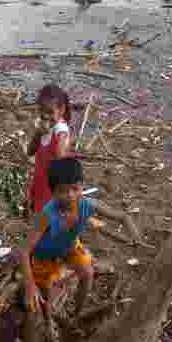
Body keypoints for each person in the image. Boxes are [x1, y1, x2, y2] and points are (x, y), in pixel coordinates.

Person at [17, 157, 140, 320]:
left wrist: (135, 236)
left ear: (82, 185)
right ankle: (48, 322)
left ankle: (76, 315)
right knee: (45, 294)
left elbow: (123, 217)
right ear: (52, 192)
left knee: (87, 273)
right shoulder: (47, 214)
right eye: (62, 191)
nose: (70, 195)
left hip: (69, 246)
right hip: (45, 254)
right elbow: (24, 251)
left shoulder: (88, 204)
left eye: (75, 189)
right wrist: (29, 286)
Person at [26, 84, 72, 215]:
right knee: (37, 208)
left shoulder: (61, 131)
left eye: (50, 112)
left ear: (61, 110)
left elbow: (60, 158)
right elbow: (30, 151)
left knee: (47, 215)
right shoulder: (44, 126)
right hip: (40, 178)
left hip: (51, 186)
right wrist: (39, 133)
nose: (45, 116)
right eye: (42, 110)